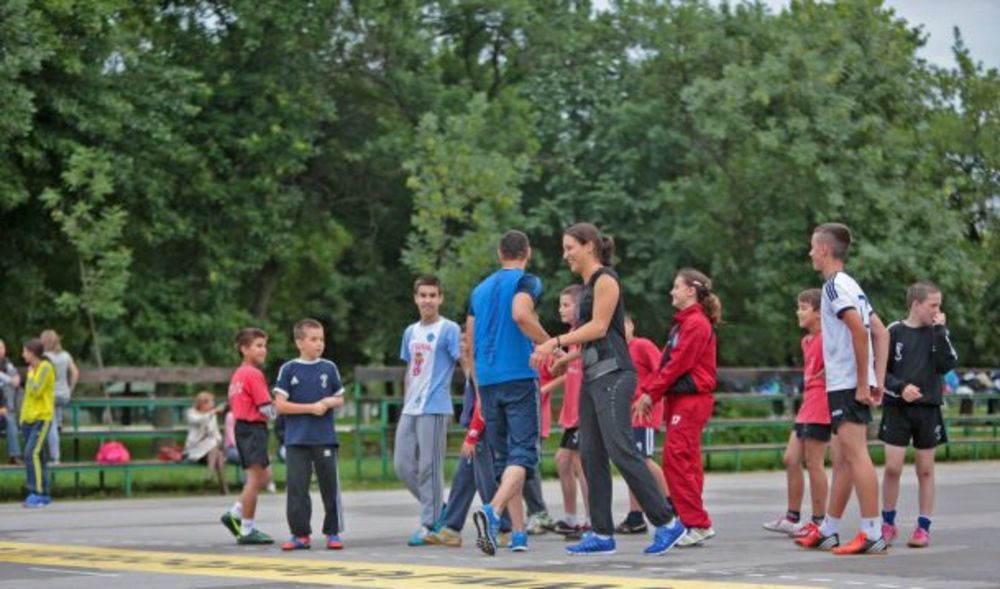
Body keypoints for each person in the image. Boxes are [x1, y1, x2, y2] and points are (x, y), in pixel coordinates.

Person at [534, 223, 684, 556]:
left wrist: (555, 342)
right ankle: (601, 533)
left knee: (621, 449)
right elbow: (596, 337)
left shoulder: (606, 280)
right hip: (592, 377)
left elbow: (599, 327)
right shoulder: (587, 286)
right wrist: (568, 358)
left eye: (570, 247)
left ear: (588, 246)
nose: (565, 254)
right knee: (590, 455)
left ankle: (668, 522)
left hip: (615, 375)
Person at [796, 222, 890, 555]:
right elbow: (881, 332)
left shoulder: (835, 287)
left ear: (824, 249)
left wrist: (865, 382)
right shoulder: (852, 285)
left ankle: (872, 531)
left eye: (812, 246)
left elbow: (859, 331)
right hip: (851, 382)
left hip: (846, 384)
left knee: (855, 456)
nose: (809, 252)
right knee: (843, 459)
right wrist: (875, 379)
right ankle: (830, 528)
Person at [469, 230, 550, 555]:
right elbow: (520, 314)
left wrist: (477, 389)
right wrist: (549, 343)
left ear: (500, 252)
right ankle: (492, 511)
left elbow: (470, 343)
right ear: (526, 252)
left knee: (505, 459)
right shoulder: (527, 282)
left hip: (487, 380)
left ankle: (518, 534)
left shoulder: (478, 290)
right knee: (524, 454)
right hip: (517, 374)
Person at [635, 268, 720, 548]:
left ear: (690, 291)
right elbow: (668, 363)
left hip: (691, 399)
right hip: (681, 398)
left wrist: (650, 394)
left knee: (676, 458)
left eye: (676, 287)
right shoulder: (683, 324)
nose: (672, 292)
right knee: (687, 460)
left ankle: (697, 522)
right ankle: (692, 519)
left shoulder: (695, 324)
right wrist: (654, 393)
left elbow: (677, 365)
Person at [879, 281, 958, 548]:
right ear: (915, 304)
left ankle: (923, 527)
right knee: (893, 467)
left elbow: (948, 364)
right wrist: (900, 389)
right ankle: (887, 523)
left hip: (928, 410)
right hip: (897, 409)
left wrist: (940, 330)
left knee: (925, 470)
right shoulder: (894, 331)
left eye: (939, 305)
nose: (938, 311)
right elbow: (880, 372)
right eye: (933, 305)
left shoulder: (938, 332)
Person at [425, 330, 513, 547]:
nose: (463, 345)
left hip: (483, 430)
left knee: (487, 480)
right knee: (462, 480)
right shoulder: (468, 366)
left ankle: (503, 527)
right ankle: (451, 528)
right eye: (461, 340)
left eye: (468, 341)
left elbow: (484, 405)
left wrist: (473, 435)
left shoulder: (479, 366)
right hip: (475, 429)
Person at [395, 275, 462, 546]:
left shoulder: (449, 329)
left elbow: (464, 359)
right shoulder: (410, 332)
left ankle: (430, 522)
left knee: (428, 467)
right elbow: (410, 369)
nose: (427, 300)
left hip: (435, 406)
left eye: (433, 295)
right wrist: (404, 401)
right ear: (415, 298)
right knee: (403, 465)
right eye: (423, 295)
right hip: (411, 407)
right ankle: (439, 507)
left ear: (440, 298)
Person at [763, 289, 833, 537]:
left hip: (821, 405)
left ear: (817, 312)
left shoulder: (829, 337)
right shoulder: (806, 342)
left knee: (814, 463)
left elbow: (844, 362)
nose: (798, 312)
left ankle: (819, 521)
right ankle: (793, 518)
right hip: (807, 405)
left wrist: (828, 375)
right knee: (790, 459)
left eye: (803, 308)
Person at [274, 319, 346, 551]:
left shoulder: (329, 367)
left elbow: (340, 398)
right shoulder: (288, 369)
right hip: (296, 439)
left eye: (322, 339)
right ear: (299, 342)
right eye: (313, 339)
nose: (319, 344)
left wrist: (328, 401)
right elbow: (280, 406)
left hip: (324, 438)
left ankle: (332, 532)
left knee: (329, 487)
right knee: (297, 488)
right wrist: (310, 408)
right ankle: (300, 534)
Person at [220, 327, 276, 544]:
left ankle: (234, 512)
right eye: (258, 346)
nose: (264, 350)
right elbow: (265, 408)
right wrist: (284, 409)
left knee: (265, 475)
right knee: (255, 479)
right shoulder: (253, 374)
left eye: (264, 346)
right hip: (252, 428)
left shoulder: (238, 374)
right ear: (244, 349)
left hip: (245, 428)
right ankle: (246, 529)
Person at [616, 314, 668, 535]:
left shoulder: (643, 345)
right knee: (632, 462)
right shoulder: (618, 353)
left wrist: (648, 397)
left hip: (645, 411)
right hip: (629, 414)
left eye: (624, 324)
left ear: (632, 325)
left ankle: (669, 502)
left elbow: (662, 371)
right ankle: (635, 515)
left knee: (643, 459)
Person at [550, 285, 590, 540]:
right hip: (573, 411)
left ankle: (591, 520)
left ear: (579, 306)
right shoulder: (571, 334)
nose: (561, 309)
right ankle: (570, 517)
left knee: (578, 462)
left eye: (566, 305)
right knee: (562, 461)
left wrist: (563, 358)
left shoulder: (586, 331)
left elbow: (583, 353)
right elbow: (568, 371)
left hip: (585, 410)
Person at [20, 339, 55, 507]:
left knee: (30, 454)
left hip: (42, 418)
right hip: (28, 419)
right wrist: (23, 418)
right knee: (38, 457)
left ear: (32, 352)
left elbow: (37, 390)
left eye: (25, 351)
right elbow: (27, 397)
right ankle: (45, 492)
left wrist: (31, 374)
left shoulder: (45, 368)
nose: (23, 355)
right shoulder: (32, 370)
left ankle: (37, 492)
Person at [40, 330, 78, 465]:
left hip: (50, 395)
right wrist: (70, 389)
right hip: (64, 394)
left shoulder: (45, 357)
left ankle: (55, 457)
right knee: (56, 408)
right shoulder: (66, 355)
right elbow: (75, 373)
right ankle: (60, 422)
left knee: (51, 426)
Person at [183, 391, 228, 494]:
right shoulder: (191, 413)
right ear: (203, 403)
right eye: (211, 402)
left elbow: (217, 434)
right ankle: (223, 487)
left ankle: (211, 474)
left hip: (209, 452)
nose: (213, 404)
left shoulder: (212, 415)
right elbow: (199, 420)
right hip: (195, 449)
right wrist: (215, 411)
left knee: (218, 451)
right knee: (215, 447)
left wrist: (219, 440)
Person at [0, 338, 23, 465]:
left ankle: (14, 455)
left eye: (2, 347)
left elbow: (16, 381)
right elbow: (12, 381)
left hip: (6, 411)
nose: (1, 350)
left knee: (10, 420)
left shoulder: (8, 365)